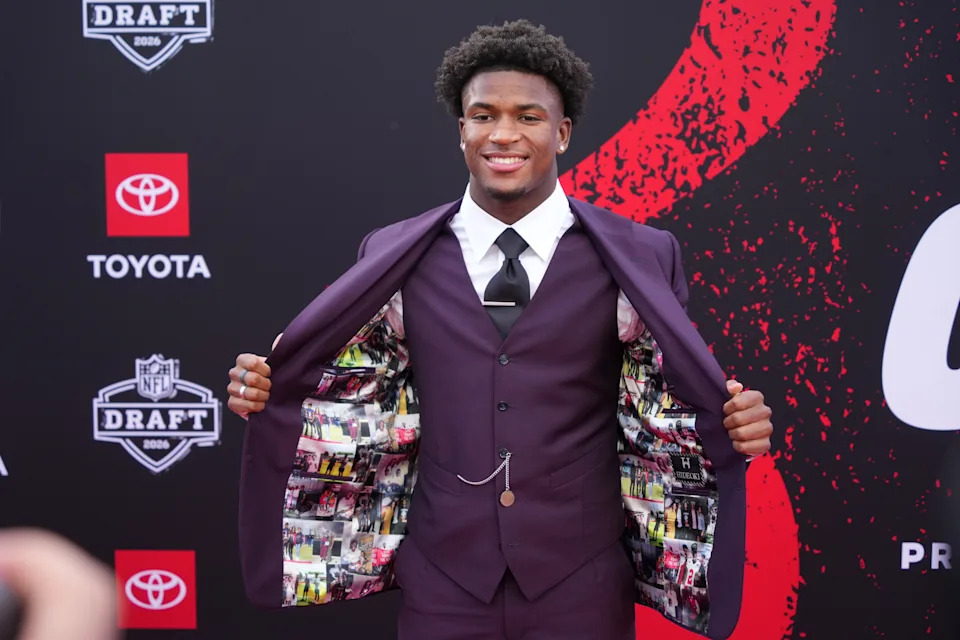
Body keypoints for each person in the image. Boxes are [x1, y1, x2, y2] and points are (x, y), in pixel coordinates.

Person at [230, 19, 774, 639]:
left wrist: (729, 423)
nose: (504, 134)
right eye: (483, 115)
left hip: (583, 582)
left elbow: (667, 401)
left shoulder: (643, 255)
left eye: (529, 117)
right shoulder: (392, 254)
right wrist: (270, 386)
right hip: (443, 578)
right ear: (462, 130)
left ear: (562, 131)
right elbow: (348, 384)